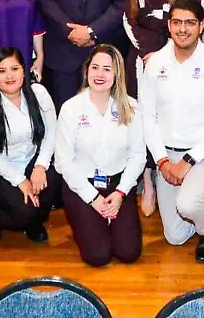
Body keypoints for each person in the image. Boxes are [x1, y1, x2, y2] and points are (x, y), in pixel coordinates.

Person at [138, 0, 204, 262]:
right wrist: (162, 161)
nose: (183, 29)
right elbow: (147, 116)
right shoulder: (155, 63)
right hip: (167, 155)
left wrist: (188, 161)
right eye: (178, 22)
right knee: (176, 235)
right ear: (169, 26)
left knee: (188, 205)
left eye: (190, 23)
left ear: (201, 26)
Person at [54, 44, 145, 267]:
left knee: (128, 252)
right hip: (82, 186)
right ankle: (94, 222)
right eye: (95, 67)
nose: (99, 74)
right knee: (98, 256)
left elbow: (138, 156)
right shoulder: (71, 108)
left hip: (118, 185)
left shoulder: (131, 107)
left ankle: (109, 222)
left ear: (117, 74)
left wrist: (121, 193)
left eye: (107, 69)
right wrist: (93, 198)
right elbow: (63, 161)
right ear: (87, 70)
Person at [0, 47, 57, 243]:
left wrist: (40, 167)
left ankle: (33, 220)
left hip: (31, 161)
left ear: (24, 71)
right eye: (2, 71)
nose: (9, 76)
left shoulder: (38, 93)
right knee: (23, 212)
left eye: (15, 69)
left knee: (55, 180)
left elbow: (52, 132)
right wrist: (20, 180)